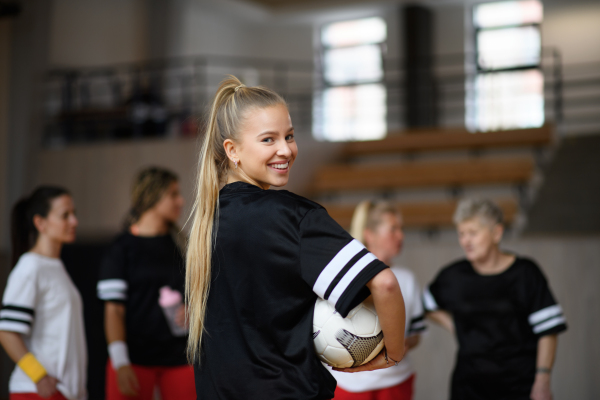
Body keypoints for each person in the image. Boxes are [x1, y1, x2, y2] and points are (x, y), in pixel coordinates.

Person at [185, 76, 407, 400]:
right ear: (232, 150)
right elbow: (385, 283)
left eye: (289, 136)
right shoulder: (293, 216)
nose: (285, 149)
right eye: (268, 139)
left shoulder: (205, 223)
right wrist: (394, 353)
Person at [423, 198, 567, 400]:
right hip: (468, 386)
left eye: (473, 233)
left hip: (519, 385)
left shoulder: (525, 273)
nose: (465, 241)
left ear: (497, 233)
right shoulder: (453, 275)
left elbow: (548, 330)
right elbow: (426, 305)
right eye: (461, 234)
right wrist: (455, 325)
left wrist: (542, 380)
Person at [97, 167, 194, 400]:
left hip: (180, 358)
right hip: (133, 359)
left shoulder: (183, 245)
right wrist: (120, 363)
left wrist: (195, 312)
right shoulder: (122, 249)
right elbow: (114, 311)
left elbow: (202, 295)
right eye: (173, 194)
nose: (180, 201)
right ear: (152, 196)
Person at [331, 201, 426, 400]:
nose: (401, 236)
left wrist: (398, 345)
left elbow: (416, 335)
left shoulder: (407, 279)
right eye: (393, 229)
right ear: (370, 234)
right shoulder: (341, 278)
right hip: (348, 385)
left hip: (396, 382)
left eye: (401, 229)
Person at [0, 186, 86, 400]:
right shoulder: (30, 267)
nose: (74, 221)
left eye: (73, 214)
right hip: (37, 391)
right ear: (40, 223)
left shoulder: (54, 266)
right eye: (65, 215)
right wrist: (38, 376)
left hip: (63, 392)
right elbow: (6, 331)